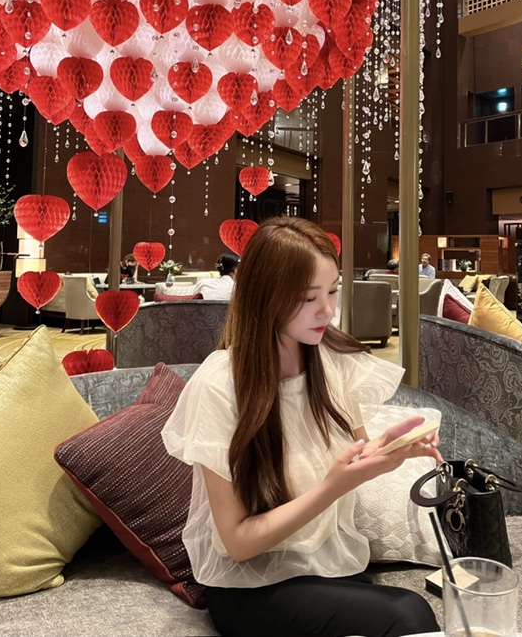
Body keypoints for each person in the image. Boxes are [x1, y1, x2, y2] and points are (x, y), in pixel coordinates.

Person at [162, 217, 441, 637]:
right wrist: (333, 486)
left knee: (408, 615)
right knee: (409, 614)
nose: (327, 311)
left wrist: (386, 450)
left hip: (329, 564)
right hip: (250, 586)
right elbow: (238, 543)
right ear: (265, 297)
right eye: (310, 297)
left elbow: (353, 455)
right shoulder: (220, 386)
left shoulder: (330, 358)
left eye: (332, 291)